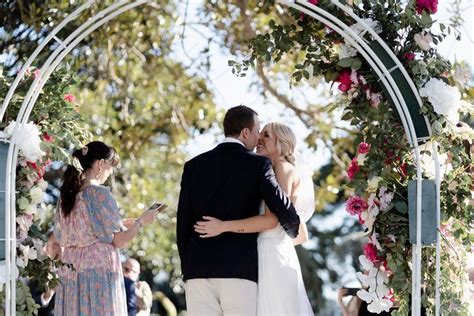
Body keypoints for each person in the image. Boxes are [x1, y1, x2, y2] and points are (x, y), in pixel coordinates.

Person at [176, 105, 301, 316]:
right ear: (245, 133)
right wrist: (293, 228)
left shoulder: (193, 165)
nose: (258, 137)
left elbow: (183, 224)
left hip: (197, 271)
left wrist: (188, 268)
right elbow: (283, 208)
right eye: (257, 131)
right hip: (238, 270)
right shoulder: (258, 164)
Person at [53, 141, 162, 316]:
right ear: (100, 164)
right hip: (97, 272)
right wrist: (141, 221)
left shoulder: (67, 198)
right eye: (111, 166)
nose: (110, 172)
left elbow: (79, 230)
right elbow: (120, 241)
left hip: (71, 272)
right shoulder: (100, 194)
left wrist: (123, 222)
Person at [28, 231, 61, 316]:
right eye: (53, 246)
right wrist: (46, 296)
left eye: (59, 245)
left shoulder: (79, 272)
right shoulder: (38, 275)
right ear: (46, 249)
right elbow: (29, 307)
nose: (58, 250)